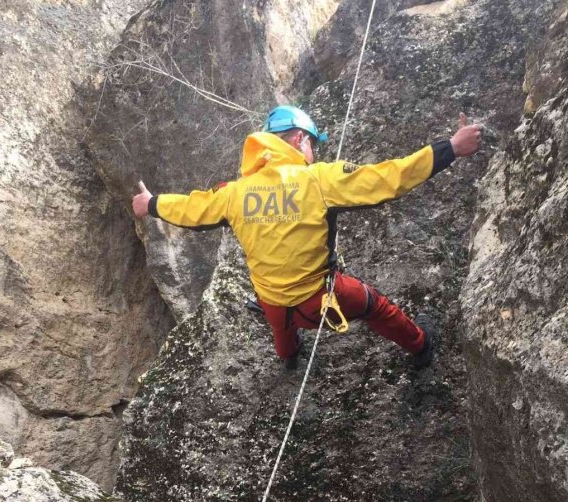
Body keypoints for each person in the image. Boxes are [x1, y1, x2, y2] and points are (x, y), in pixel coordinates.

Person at [133, 106, 482, 369]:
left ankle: (289, 357)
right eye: (312, 143)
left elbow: (191, 209)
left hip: (272, 302)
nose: (314, 151)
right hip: (322, 300)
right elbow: (388, 179)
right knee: (376, 307)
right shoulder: (318, 179)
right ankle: (421, 346)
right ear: (300, 139)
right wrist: (450, 147)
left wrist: (150, 204)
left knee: (280, 323)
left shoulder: (234, 193)